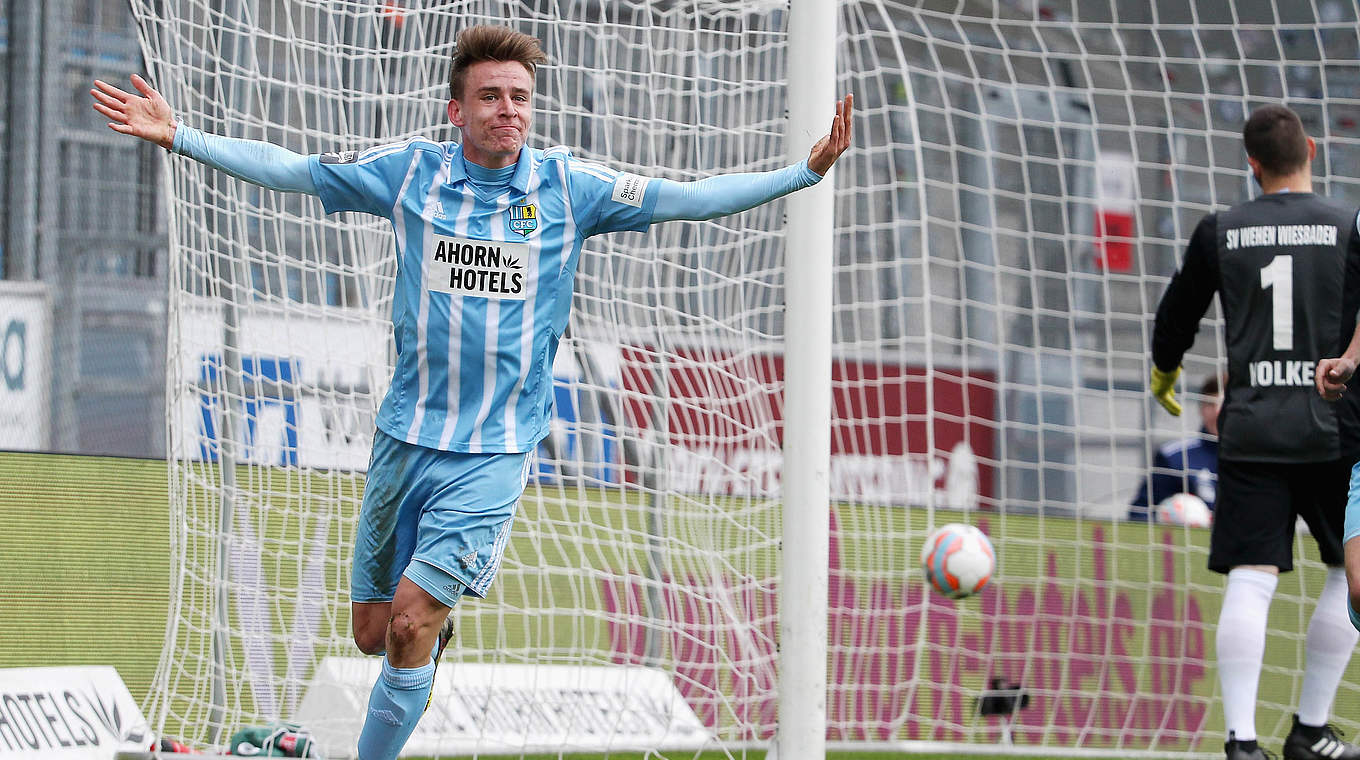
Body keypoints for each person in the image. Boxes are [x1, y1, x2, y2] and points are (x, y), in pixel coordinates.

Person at [91, 25, 852, 760]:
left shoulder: (569, 189)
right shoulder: (411, 173)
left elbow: (689, 196)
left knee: (409, 624)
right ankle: (426, 646)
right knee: (371, 629)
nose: (509, 109)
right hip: (405, 437)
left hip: (493, 451)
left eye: (520, 96)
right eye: (490, 96)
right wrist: (180, 134)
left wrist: (804, 172)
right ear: (458, 111)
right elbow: (296, 168)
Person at [1149, 104, 1360, 760]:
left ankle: (1241, 742)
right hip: (1335, 427)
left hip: (1252, 428)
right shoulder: (1348, 224)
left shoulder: (1221, 229)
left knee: (1251, 576)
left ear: (1253, 164)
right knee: (1342, 573)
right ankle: (1309, 729)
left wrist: (1165, 371)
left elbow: (1178, 309)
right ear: (1313, 152)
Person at [1129, 373, 1222, 521]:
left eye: (1225, 404)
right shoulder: (1175, 457)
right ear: (1200, 408)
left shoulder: (1257, 459)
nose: (1217, 412)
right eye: (1210, 404)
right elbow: (1140, 514)